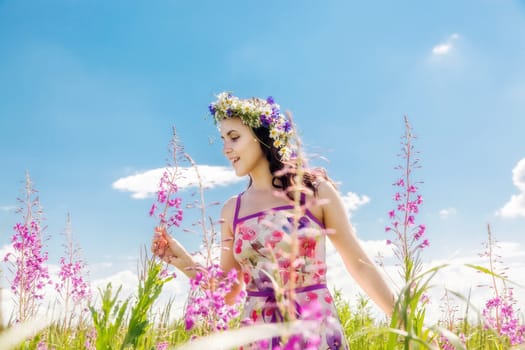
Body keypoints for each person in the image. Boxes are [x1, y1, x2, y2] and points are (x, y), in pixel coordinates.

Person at [152, 92, 395, 349]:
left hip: (315, 331)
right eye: (223, 139)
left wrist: (406, 323)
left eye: (234, 137)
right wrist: (184, 261)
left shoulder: (314, 191)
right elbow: (229, 291)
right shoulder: (231, 210)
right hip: (258, 335)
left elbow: (359, 265)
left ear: (263, 136)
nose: (226, 149)